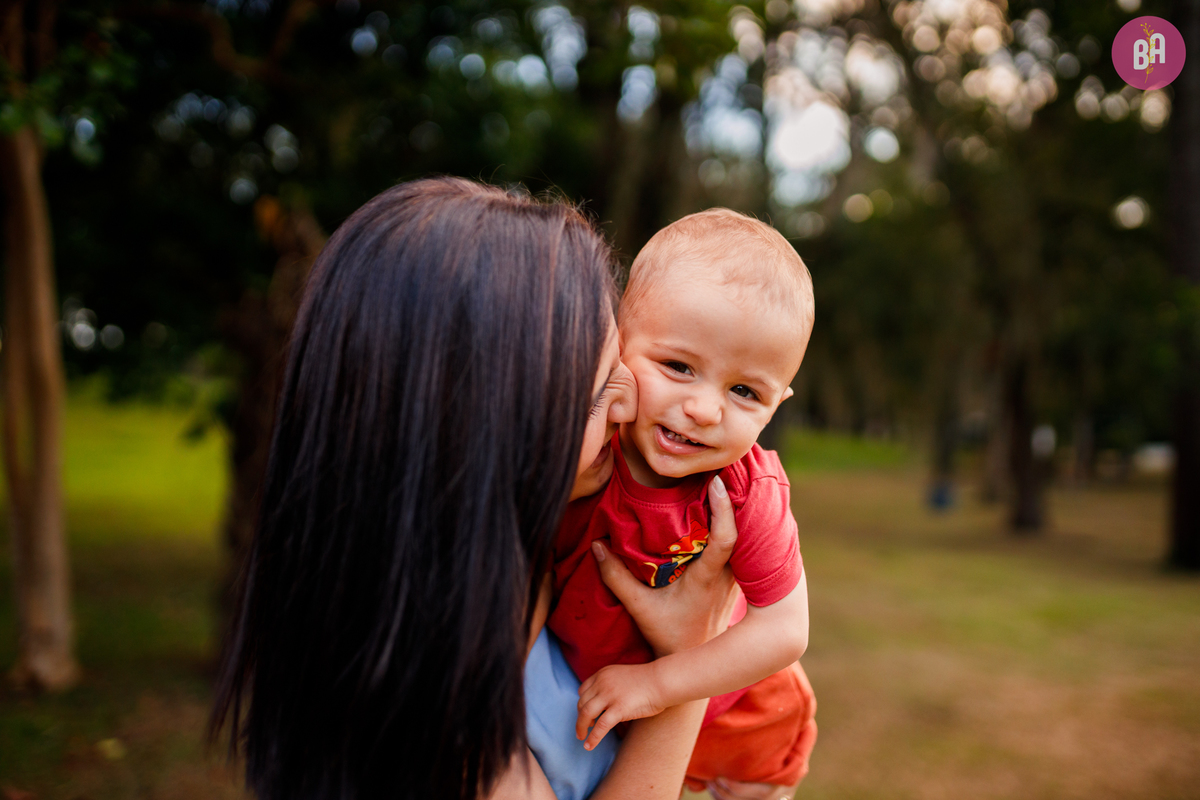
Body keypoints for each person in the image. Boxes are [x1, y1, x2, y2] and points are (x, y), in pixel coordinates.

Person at [210, 177, 747, 800]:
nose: (630, 409)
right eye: (600, 392)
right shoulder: (447, 743)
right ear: (488, 431)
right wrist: (687, 670)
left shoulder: (464, 603)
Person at [546, 209, 818, 797]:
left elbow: (785, 630)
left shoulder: (746, 490)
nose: (705, 409)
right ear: (618, 341)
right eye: (678, 366)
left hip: (741, 711)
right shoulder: (586, 449)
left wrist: (661, 683)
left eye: (745, 391)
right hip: (607, 711)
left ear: (777, 404)